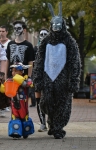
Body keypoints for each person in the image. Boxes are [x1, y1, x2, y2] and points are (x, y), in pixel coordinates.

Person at [33, 2, 81, 139]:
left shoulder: (69, 41)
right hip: (48, 77)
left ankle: (58, 127)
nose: (56, 27)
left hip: (63, 79)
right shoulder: (46, 41)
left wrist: (74, 80)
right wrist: (37, 78)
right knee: (46, 102)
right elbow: (39, 61)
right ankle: (51, 122)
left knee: (62, 103)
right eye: (54, 25)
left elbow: (74, 62)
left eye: (59, 25)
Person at [5, 62, 34, 139]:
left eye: (15, 71)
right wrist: (2, 83)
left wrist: (22, 81)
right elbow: (4, 88)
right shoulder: (10, 79)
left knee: (24, 117)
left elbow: (30, 84)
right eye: (12, 71)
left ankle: (25, 131)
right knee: (15, 116)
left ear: (21, 71)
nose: (13, 72)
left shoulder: (26, 78)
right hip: (14, 102)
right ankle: (15, 132)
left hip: (23, 103)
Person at [32, 28, 49, 132]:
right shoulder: (35, 49)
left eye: (45, 34)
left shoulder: (52, 48)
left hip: (49, 76)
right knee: (38, 98)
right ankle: (43, 123)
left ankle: (51, 121)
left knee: (49, 99)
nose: (42, 36)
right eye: (41, 34)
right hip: (38, 76)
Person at [0, 25, 11, 116]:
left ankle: (5, 106)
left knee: (6, 87)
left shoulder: (10, 43)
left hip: (7, 67)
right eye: (0, 31)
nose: (1, 33)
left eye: (3, 31)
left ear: (7, 32)